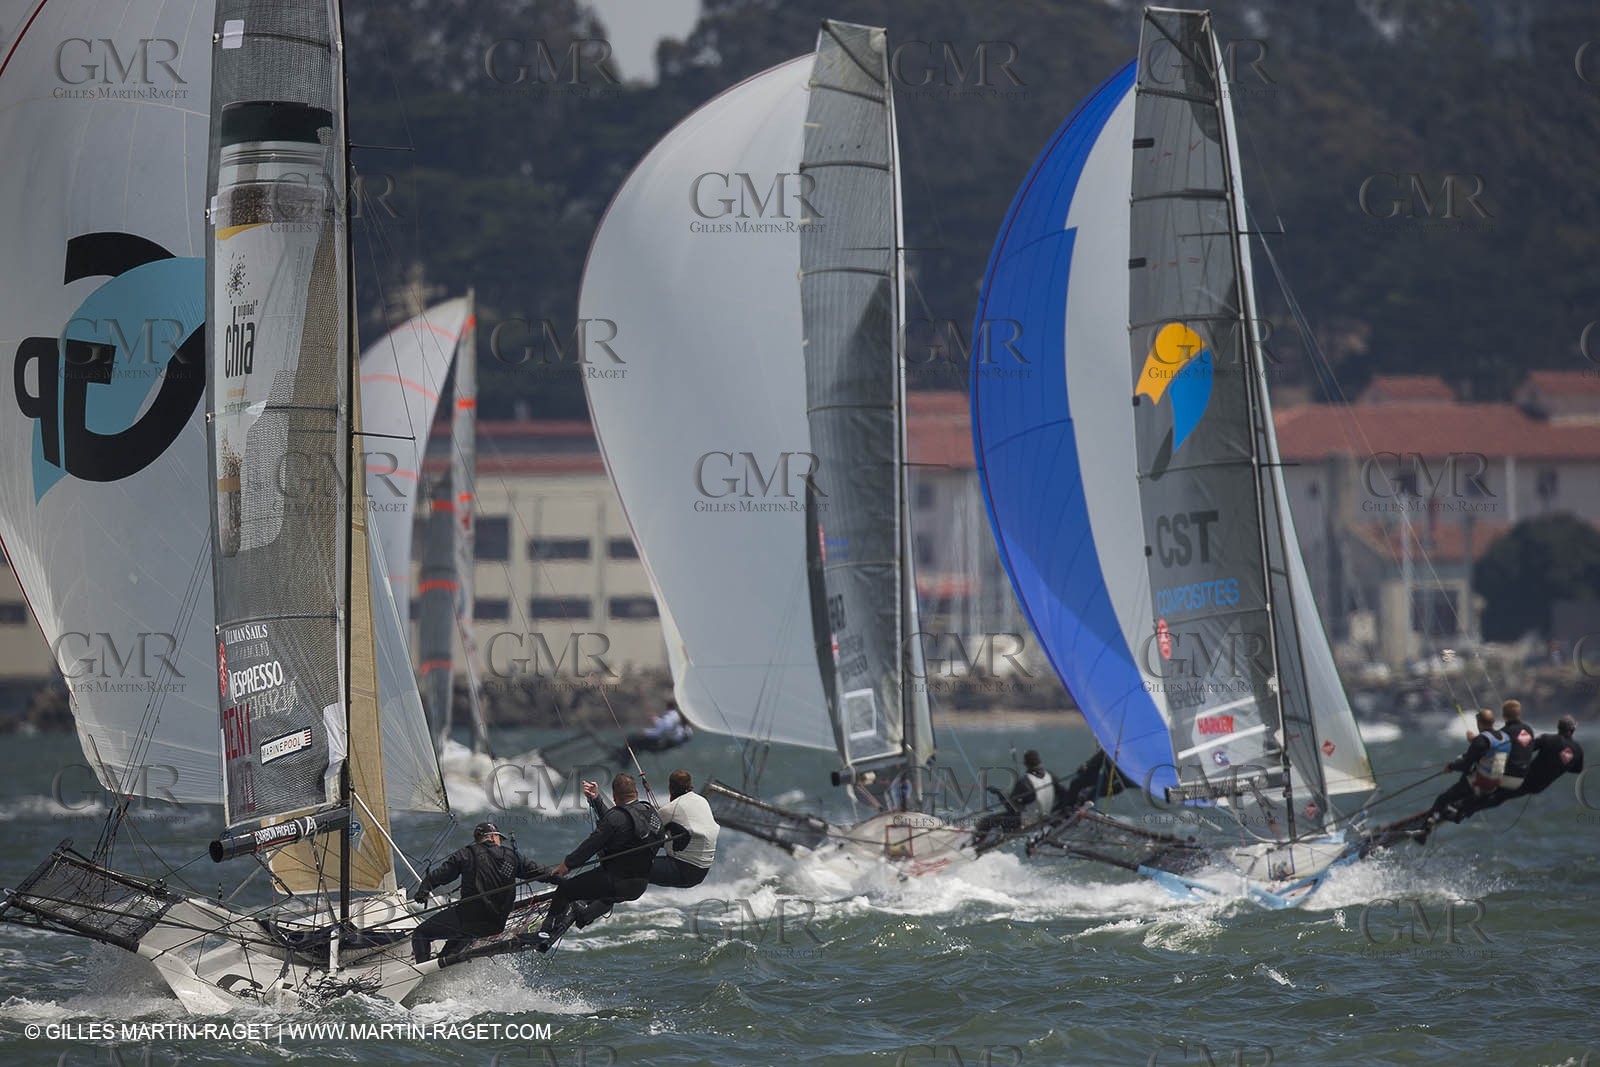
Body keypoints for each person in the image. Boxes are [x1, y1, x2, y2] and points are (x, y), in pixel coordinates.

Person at [534, 772, 662, 951]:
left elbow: (591, 845)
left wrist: (567, 865)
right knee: (595, 894)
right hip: (639, 885)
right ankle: (583, 916)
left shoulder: (615, 819)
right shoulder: (651, 813)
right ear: (636, 793)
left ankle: (545, 933)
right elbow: (620, 823)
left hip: (615, 881)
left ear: (615, 796)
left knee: (565, 889)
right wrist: (596, 800)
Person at [410, 822, 550, 964]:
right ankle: (438, 965)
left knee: (421, 933)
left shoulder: (466, 854)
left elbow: (442, 874)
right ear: (493, 837)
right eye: (499, 838)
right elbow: (538, 872)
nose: (500, 842)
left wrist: (424, 890)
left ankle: (421, 969)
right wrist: (558, 878)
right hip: (495, 924)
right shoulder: (512, 856)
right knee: (451, 951)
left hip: (468, 918)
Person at [586, 768, 719, 888]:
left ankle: (587, 902)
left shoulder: (670, 810)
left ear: (670, 788)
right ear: (691, 786)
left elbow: (625, 827)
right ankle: (595, 902)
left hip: (682, 870)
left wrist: (597, 801)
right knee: (631, 869)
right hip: (702, 870)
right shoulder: (702, 801)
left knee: (623, 866)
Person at [971, 750, 1070, 852]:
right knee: (1002, 819)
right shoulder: (1051, 776)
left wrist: (999, 793)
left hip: (1026, 821)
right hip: (1045, 817)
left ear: (1025, 764)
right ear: (1039, 762)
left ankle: (973, 847)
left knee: (987, 821)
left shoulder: (1024, 782)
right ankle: (989, 840)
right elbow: (1065, 795)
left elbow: (1012, 809)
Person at [1477, 715, 1583, 809]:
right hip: (1539, 786)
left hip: (1525, 777)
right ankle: (1473, 805)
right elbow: (1577, 770)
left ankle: (1471, 805)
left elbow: (1527, 749)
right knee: (1502, 796)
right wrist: (1559, 763)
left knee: (1497, 791)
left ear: (1558, 727)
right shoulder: (1578, 750)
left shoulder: (1547, 739)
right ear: (1573, 729)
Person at [1426, 708, 1508, 826]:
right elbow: (1490, 750)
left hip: (1481, 783)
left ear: (1479, 723)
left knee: (1443, 799)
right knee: (1467, 790)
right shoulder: (1505, 737)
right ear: (1493, 722)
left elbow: (1465, 765)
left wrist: (1451, 767)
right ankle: (1459, 813)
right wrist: (1474, 741)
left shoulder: (1480, 741)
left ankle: (1427, 825)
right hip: (1496, 783)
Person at [617, 700, 693, 760]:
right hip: (669, 741)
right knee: (638, 743)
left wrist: (645, 732)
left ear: (667, 706)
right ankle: (625, 757)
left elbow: (662, 731)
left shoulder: (671, 717)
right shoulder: (675, 716)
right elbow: (664, 726)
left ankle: (624, 758)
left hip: (666, 741)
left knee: (633, 739)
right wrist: (655, 718)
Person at [1061, 747, 1131, 809]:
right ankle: (1068, 805)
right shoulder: (1111, 747)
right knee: (1076, 783)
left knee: (1093, 793)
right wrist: (1086, 765)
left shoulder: (1127, 758)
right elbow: (1099, 756)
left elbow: (1125, 781)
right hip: (1100, 773)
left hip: (1111, 780)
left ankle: (1079, 809)